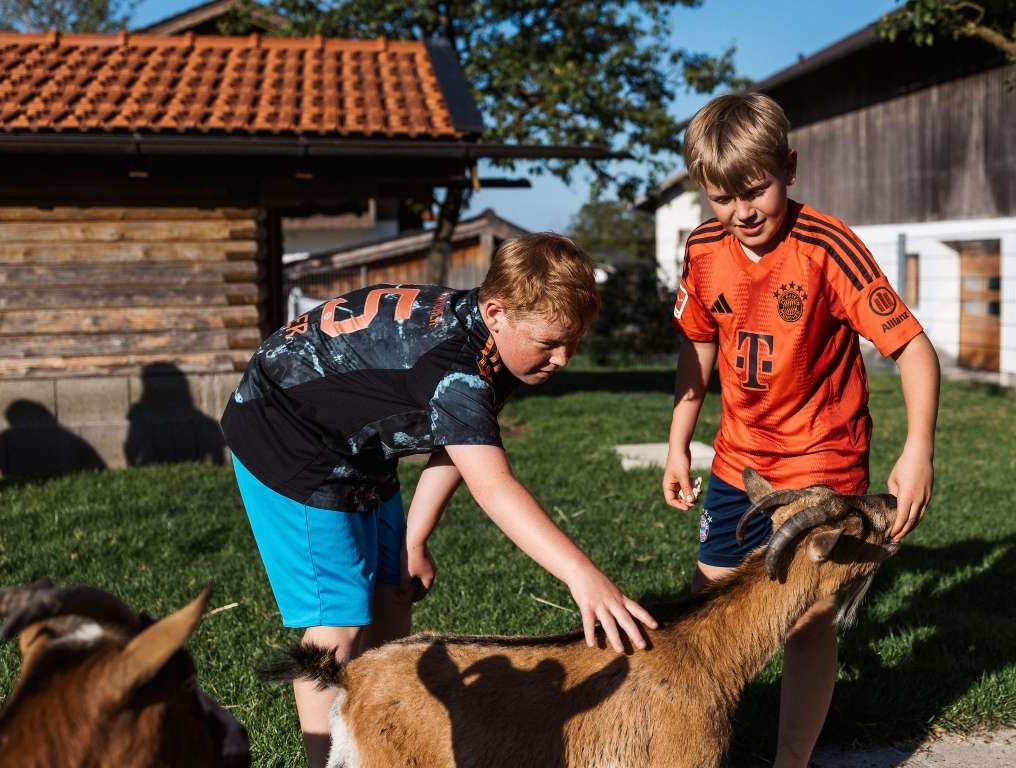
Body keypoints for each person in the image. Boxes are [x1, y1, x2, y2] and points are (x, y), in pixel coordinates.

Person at [221, 233, 657, 768]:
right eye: (550, 343)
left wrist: (415, 538)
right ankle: (323, 760)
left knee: (392, 594)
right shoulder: (460, 367)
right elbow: (492, 485)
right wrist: (581, 575)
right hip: (287, 435)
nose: (564, 358)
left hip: (359, 442)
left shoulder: (494, 344)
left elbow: (457, 444)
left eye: (574, 342)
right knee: (338, 617)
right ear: (496, 312)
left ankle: (382, 741)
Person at [661, 93, 939, 768]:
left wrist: (919, 448)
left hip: (824, 465)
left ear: (788, 167)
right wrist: (678, 439)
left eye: (755, 191)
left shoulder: (828, 247)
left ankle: (791, 760)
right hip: (737, 463)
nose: (741, 212)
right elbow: (696, 348)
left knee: (808, 621)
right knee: (712, 610)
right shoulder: (702, 249)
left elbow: (912, 349)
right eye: (721, 197)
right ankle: (705, 747)